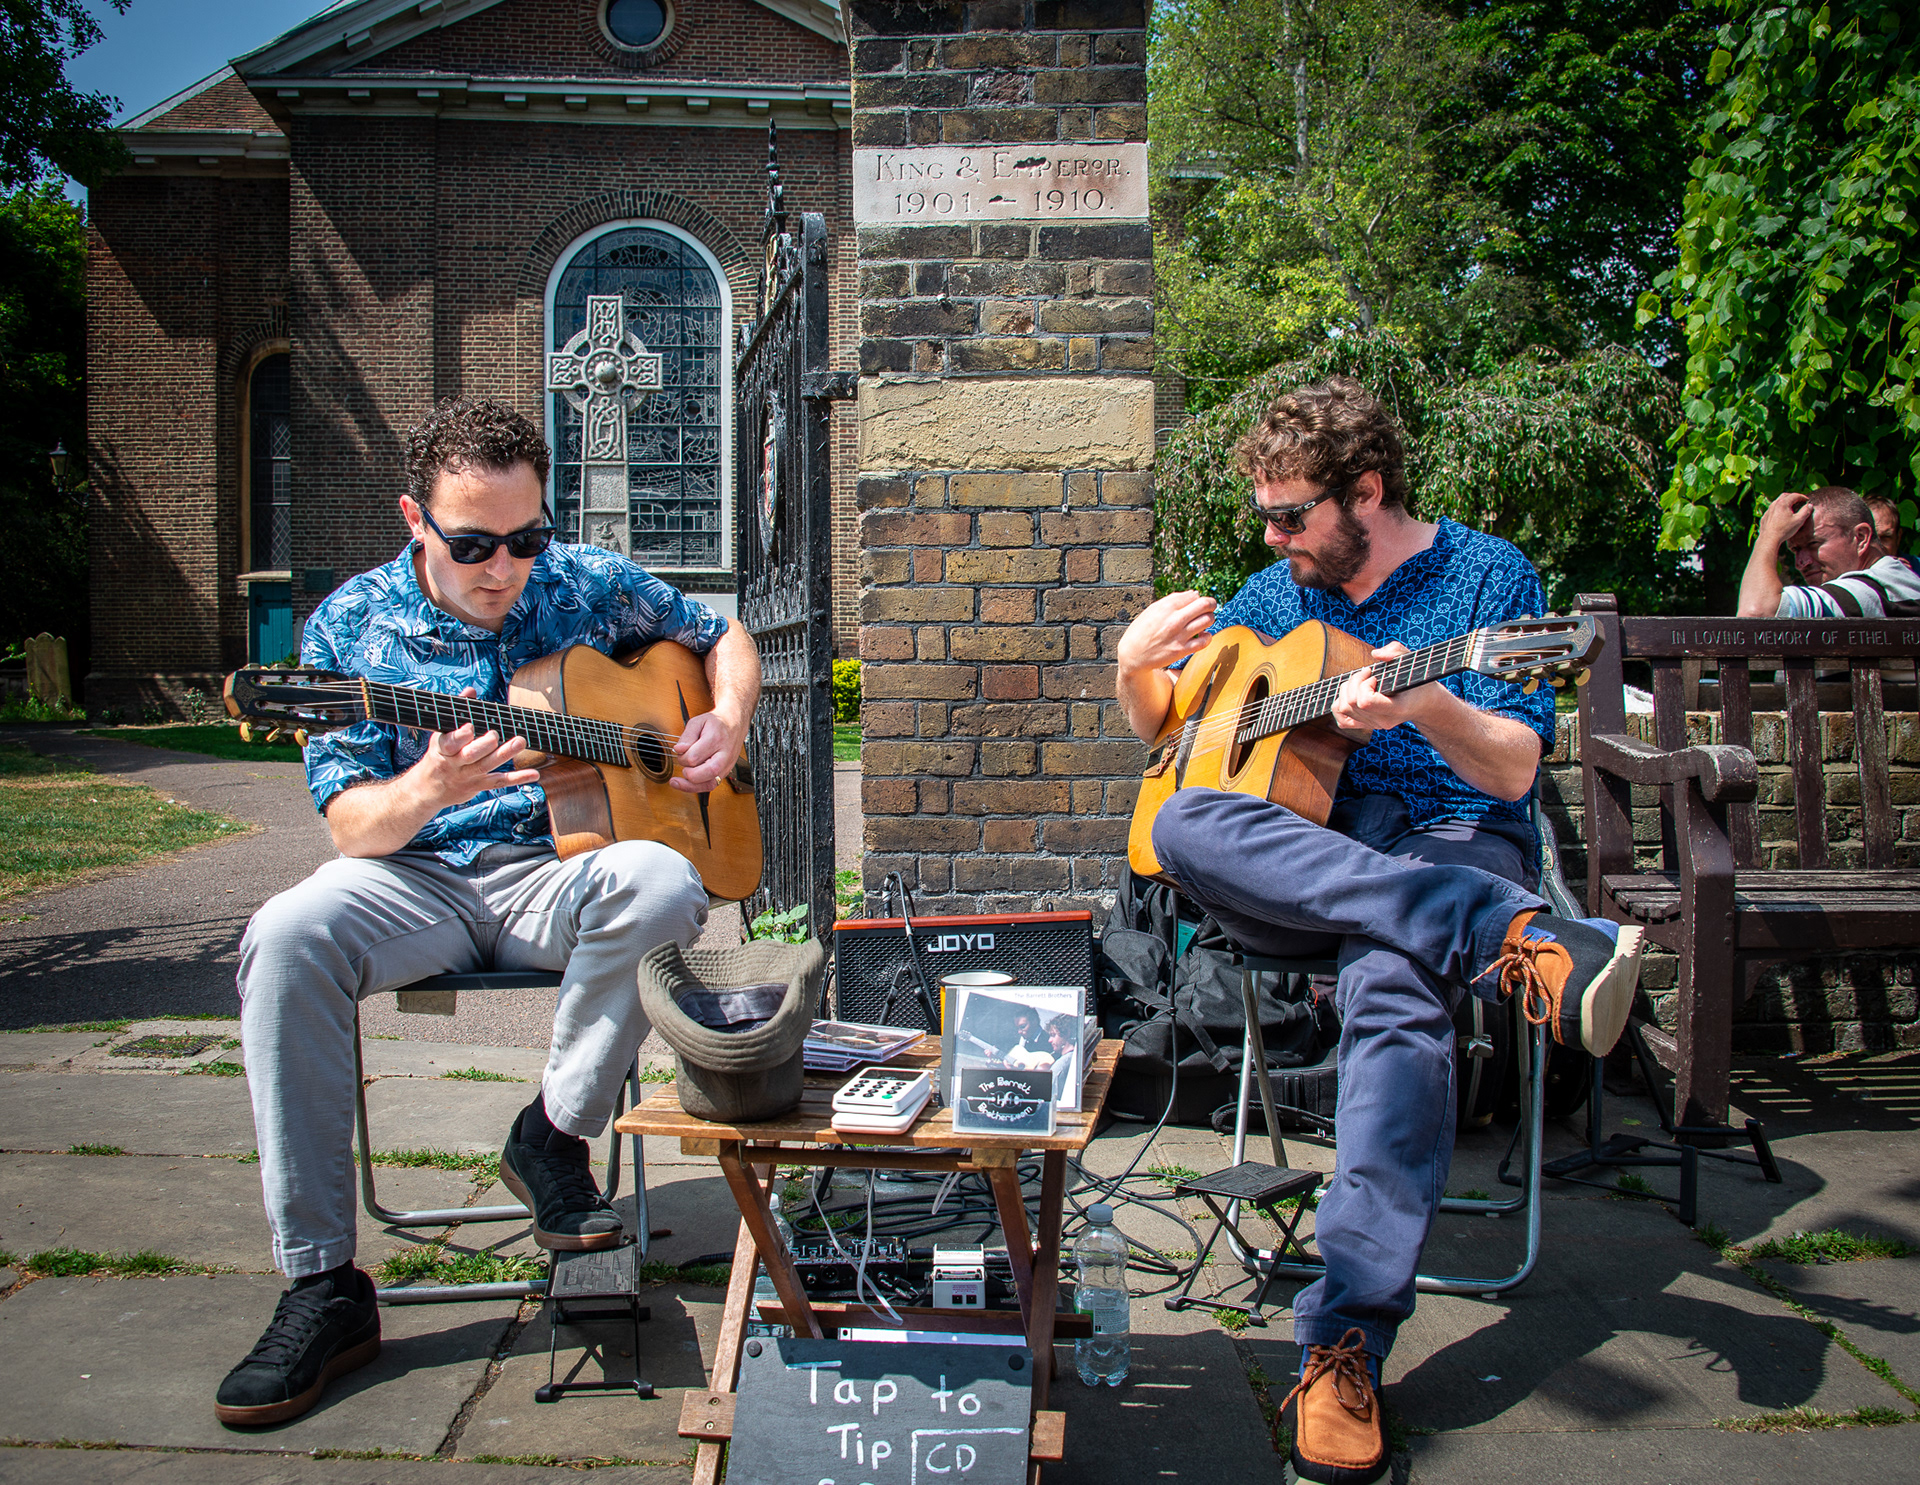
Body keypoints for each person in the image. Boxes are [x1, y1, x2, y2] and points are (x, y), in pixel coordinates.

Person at [1115, 376, 1644, 1485]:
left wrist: (1426, 704)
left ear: (1365, 491)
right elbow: (1177, 740)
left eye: (1290, 514)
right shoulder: (1277, 591)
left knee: (1396, 988)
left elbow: (1516, 769)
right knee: (1186, 823)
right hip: (1312, 858)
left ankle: (1342, 1341)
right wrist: (1132, 670)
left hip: (1450, 833)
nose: (1271, 537)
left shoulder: (1489, 578)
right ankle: (1504, 938)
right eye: (1266, 515)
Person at [216, 399, 761, 1428]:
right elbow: (354, 827)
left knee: (662, 882)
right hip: (413, 874)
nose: (502, 566)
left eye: (525, 538)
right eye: (472, 543)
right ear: (414, 519)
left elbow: (722, 635)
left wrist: (724, 718)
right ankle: (323, 1285)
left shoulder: (587, 583)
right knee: (285, 937)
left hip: (555, 871)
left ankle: (551, 1138)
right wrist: (429, 787)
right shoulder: (351, 627)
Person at [1736, 486, 1920, 618]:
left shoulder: (1872, 590)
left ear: (1861, 537)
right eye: (1795, 550)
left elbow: (1755, 613)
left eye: (1814, 544)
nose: (1801, 563)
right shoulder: (1892, 583)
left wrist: (1769, 535)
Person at [1865, 493, 1919, 574]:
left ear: (1898, 537)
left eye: (1885, 538)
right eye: (1872, 538)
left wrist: (1909, 578)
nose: (1878, 546)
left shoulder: (1916, 567)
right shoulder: (1847, 570)